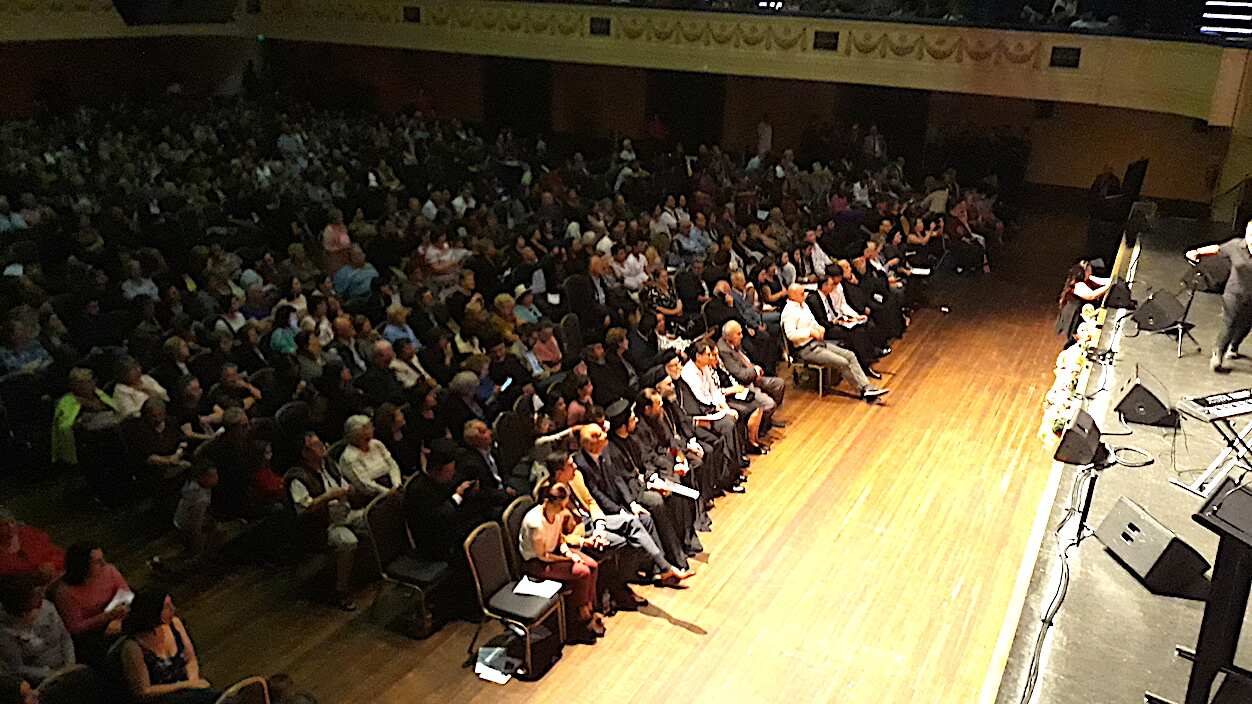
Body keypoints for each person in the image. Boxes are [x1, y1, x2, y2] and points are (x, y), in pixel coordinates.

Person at [285, 433, 364, 611]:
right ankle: (341, 590)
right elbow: (304, 509)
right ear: (305, 453)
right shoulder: (298, 478)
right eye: (316, 445)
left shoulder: (329, 464)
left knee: (373, 517)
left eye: (321, 443)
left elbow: (342, 483)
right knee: (347, 542)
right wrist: (327, 497)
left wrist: (349, 490)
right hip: (322, 525)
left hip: (344, 512)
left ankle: (368, 571)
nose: (322, 447)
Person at [519, 482, 604, 644]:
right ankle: (581, 618)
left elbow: (560, 539)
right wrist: (569, 558)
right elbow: (543, 556)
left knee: (592, 565)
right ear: (550, 503)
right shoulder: (535, 524)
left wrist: (567, 552)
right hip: (537, 562)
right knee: (582, 572)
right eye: (561, 506)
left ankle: (589, 606)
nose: (564, 510)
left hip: (555, 553)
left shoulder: (557, 513)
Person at [781, 284, 888, 402]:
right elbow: (791, 335)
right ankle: (862, 390)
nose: (804, 295)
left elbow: (813, 322)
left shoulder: (804, 305)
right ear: (793, 295)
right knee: (842, 362)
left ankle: (867, 387)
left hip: (817, 343)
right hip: (805, 350)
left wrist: (819, 328)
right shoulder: (789, 312)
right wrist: (810, 332)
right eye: (801, 294)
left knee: (850, 355)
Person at [120, 592, 217, 703]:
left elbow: (190, 659)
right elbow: (144, 690)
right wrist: (186, 685)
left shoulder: (175, 624)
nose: (173, 609)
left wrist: (193, 682)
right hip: (162, 698)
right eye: (166, 607)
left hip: (187, 691)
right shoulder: (133, 646)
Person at [1188, 221, 1252, 372]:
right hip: (1234, 293)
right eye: (1250, 234)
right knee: (1229, 323)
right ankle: (1218, 354)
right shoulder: (1236, 246)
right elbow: (1217, 249)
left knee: (1246, 324)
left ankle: (1234, 347)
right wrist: (1197, 251)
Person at [51, 543, 130, 664]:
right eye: (97, 562)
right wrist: (106, 616)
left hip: (115, 618)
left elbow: (124, 593)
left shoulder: (109, 571)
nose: (103, 564)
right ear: (82, 566)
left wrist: (116, 618)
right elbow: (75, 627)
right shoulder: (65, 592)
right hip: (91, 634)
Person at [0, 576, 74, 685]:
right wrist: (53, 675)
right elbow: (18, 667)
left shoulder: (47, 608)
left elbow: (65, 637)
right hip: (40, 679)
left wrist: (70, 666)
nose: (42, 605)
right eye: (37, 604)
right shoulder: (5, 633)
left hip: (65, 666)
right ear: (23, 614)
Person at [338, 415, 401, 497]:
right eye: (368, 428)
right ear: (359, 433)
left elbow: (392, 465)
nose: (373, 429)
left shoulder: (376, 444)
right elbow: (364, 484)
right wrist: (388, 493)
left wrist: (397, 485)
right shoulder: (349, 457)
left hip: (393, 485)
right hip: (375, 496)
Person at [1056, 260, 1111, 346]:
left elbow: (1103, 281)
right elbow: (1091, 295)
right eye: (1089, 270)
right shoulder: (1078, 285)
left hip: (1081, 313)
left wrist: (1112, 281)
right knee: (1079, 338)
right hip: (1075, 315)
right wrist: (1109, 286)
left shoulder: (1088, 278)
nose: (1091, 272)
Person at [0, 510, 63, 583]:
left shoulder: (29, 535)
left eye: (12, 522)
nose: (11, 526)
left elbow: (57, 553)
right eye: (4, 525)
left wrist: (52, 564)